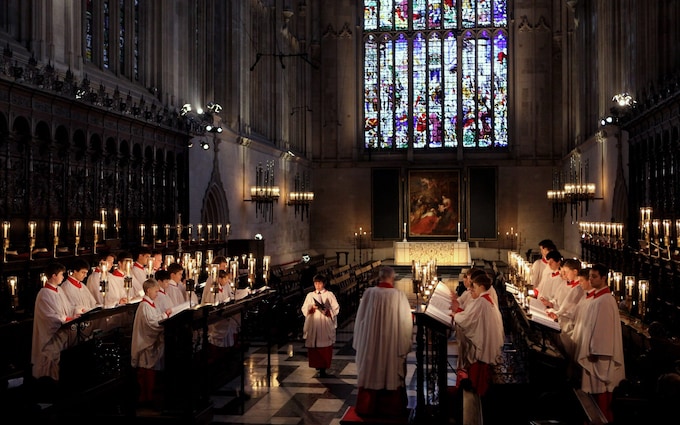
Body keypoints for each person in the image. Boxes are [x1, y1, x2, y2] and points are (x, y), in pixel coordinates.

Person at [353, 266, 413, 417]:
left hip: (371, 345)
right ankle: (390, 409)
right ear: (392, 278)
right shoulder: (398, 296)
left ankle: (367, 407)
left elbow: (359, 320)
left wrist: (360, 342)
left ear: (379, 278)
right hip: (391, 346)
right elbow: (406, 324)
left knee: (371, 370)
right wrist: (405, 345)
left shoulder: (368, 293)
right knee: (390, 371)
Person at [574, 263, 625, 422]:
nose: (591, 279)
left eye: (594, 276)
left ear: (604, 278)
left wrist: (596, 351)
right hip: (593, 352)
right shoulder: (598, 297)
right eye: (590, 276)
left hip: (599, 356)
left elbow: (603, 330)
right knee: (595, 393)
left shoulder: (605, 300)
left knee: (601, 392)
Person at [451, 273, 505, 397]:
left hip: (483, 349)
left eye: (473, 287)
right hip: (489, 342)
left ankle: (476, 397)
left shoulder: (481, 301)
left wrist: (455, 316)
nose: (471, 290)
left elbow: (468, 319)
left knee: (477, 378)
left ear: (481, 287)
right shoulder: (487, 299)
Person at [31, 262, 74, 382]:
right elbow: (49, 317)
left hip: (61, 335)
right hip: (50, 338)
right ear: (54, 276)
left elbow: (67, 307)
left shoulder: (59, 290)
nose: (63, 277)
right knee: (49, 367)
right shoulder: (44, 294)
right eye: (61, 274)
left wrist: (75, 312)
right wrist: (66, 319)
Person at [131, 278, 166, 407]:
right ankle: (145, 397)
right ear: (148, 290)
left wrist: (163, 316)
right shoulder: (144, 305)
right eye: (156, 291)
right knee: (145, 369)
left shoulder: (150, 304)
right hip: (145, 343)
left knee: (149, 369)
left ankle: (148, 396)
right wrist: (164, 317)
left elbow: (154, 319)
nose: (157, 294)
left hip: (149, 343)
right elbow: (151, 324)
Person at [301, 273, 340, 378]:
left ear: (324, 284)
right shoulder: (310, 295)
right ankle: (317, 365)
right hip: (314, 322)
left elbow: (336, 308)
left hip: (324, 322)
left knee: (324, 344)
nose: (317, 285)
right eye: (316, 283)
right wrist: (311, 309)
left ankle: (323, 367)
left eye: (319, 283)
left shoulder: (329, 294)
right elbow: (304, 309)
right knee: (315, 344)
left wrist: (328, 311)